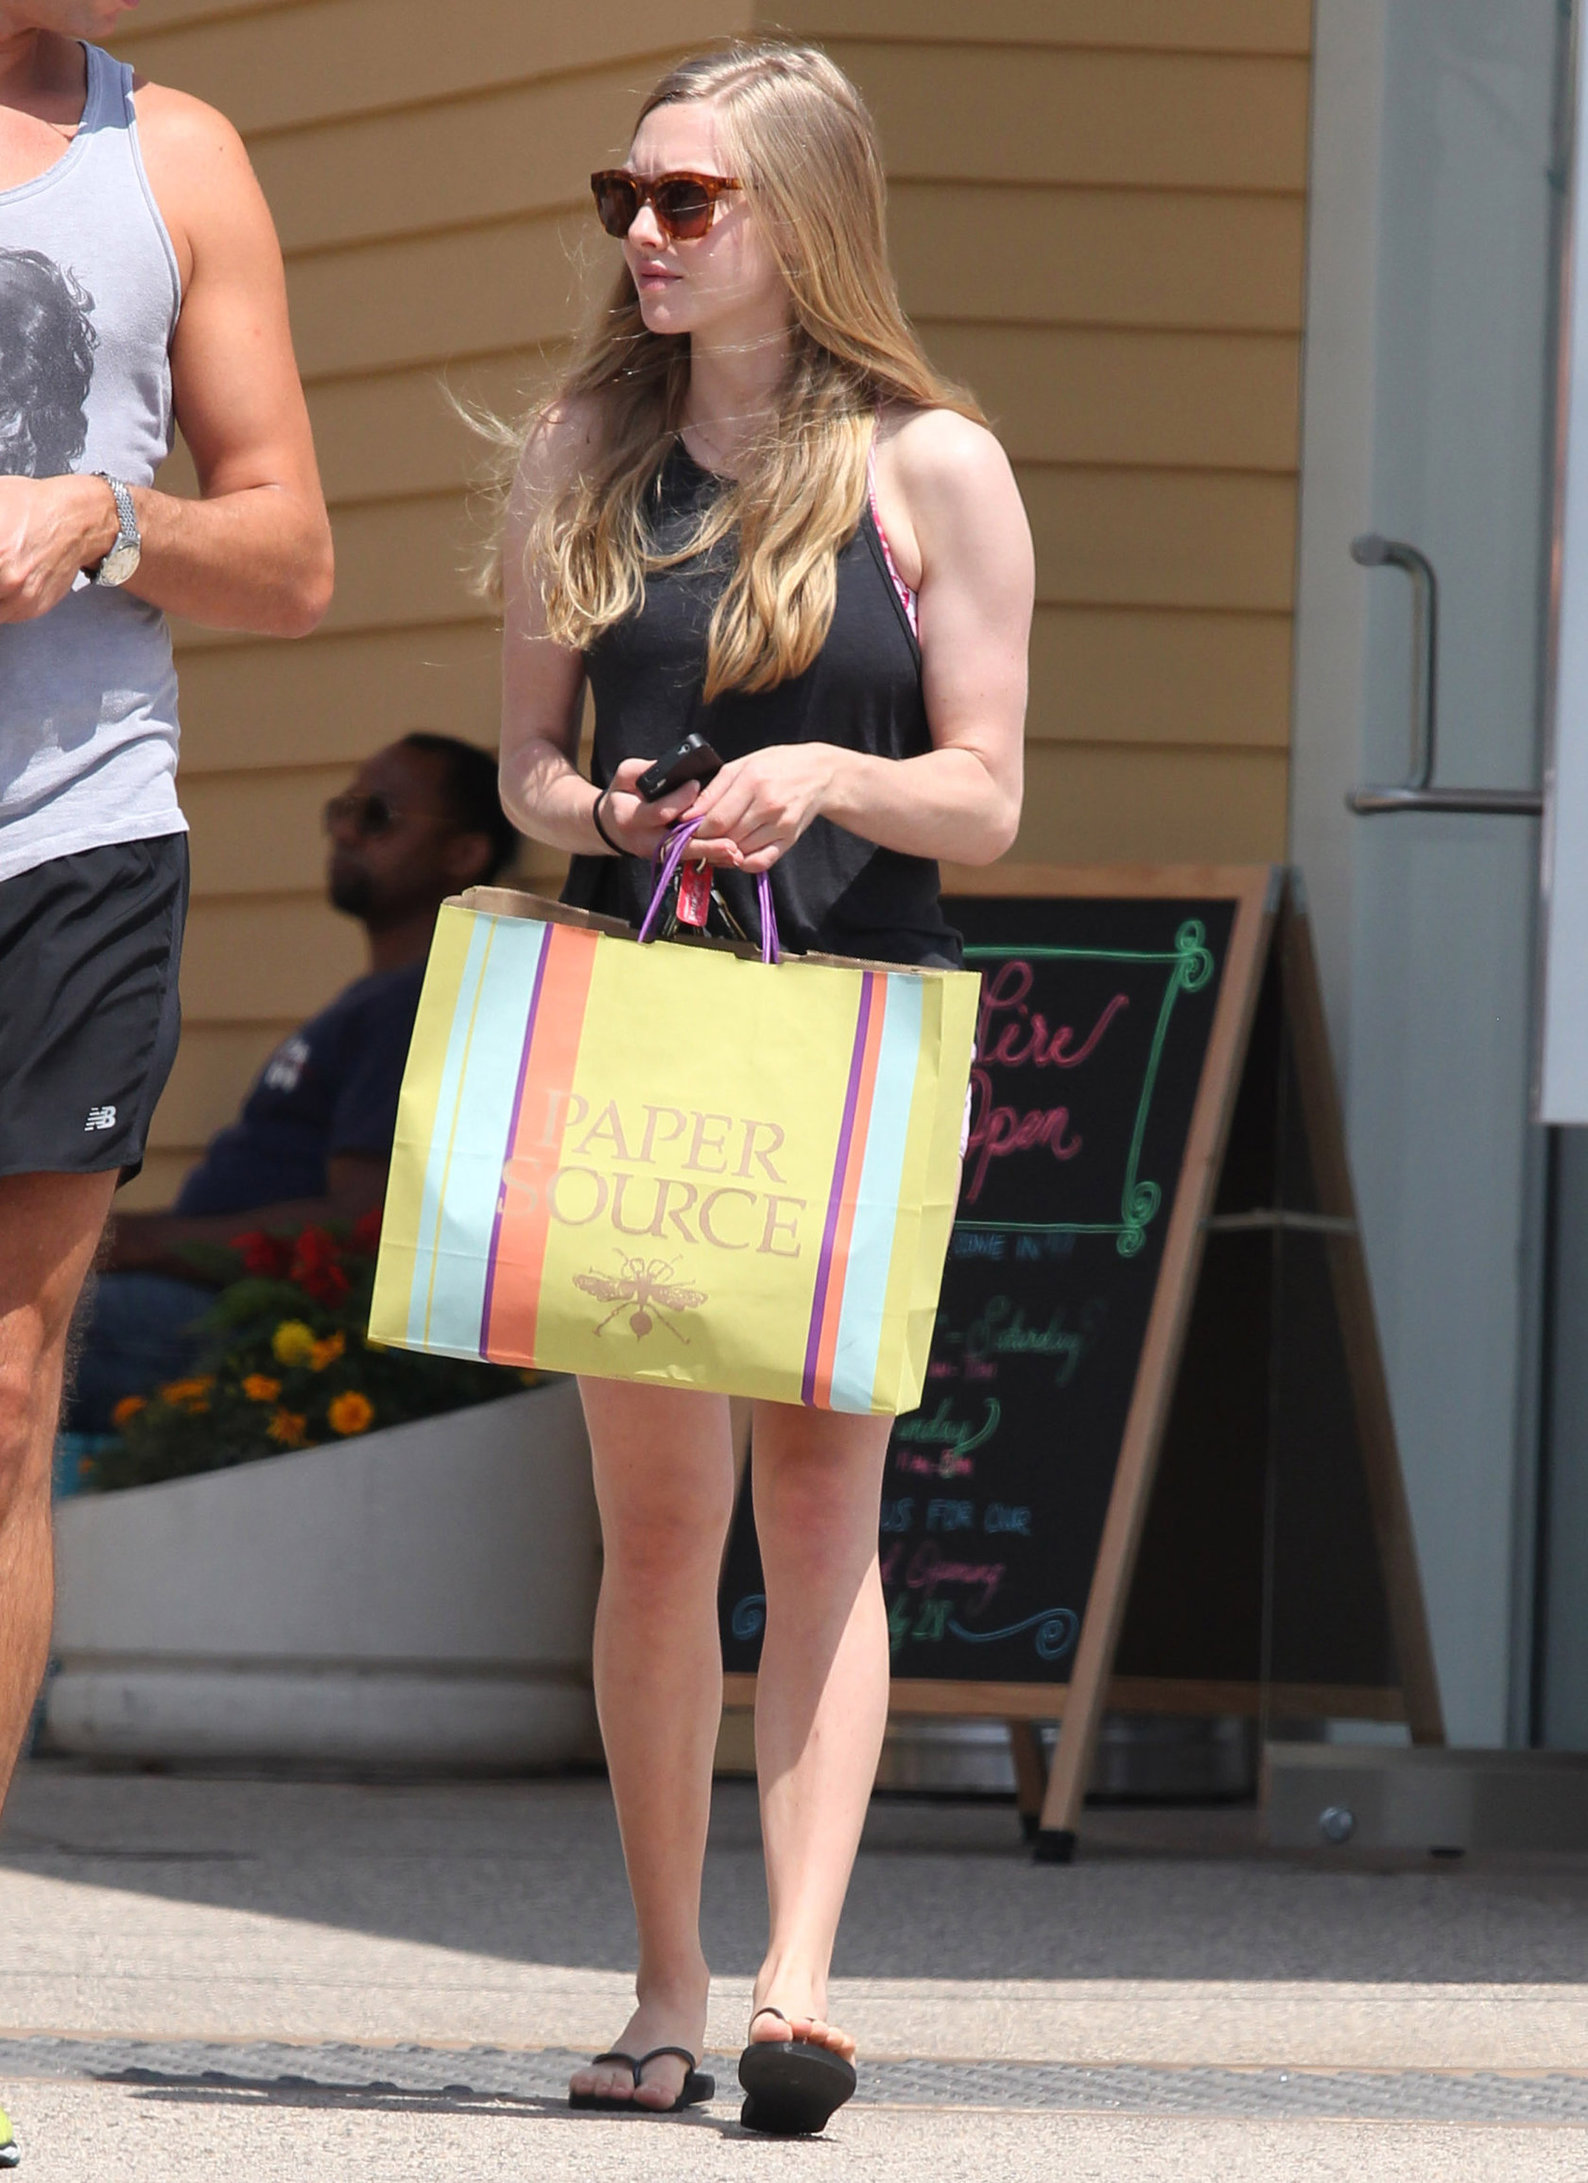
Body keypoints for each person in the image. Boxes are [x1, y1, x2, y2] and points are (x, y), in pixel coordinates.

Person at [497, 40, 1034, 2133]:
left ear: (796, 224)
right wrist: (609, 810)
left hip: (853, 1016)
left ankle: (799, 1982)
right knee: (654, 1530)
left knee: (821, 1506)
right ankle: (659, 1980)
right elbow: (524, 761)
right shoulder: (578, 450)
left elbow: (982, 795)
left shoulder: (933, 466)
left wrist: (822, 770)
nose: (643, 233)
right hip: (643, 1013)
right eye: (625, 196)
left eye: (687, 202)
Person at [0, 8, 335, 2122]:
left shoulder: (180, 153)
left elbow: (292, 551)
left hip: (78, 839)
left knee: (9, 1397)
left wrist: (100, 518)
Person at [67, 735, 517, 1432]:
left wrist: (136, 1241)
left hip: (249, 1330)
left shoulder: (417, 1002)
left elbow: (360, 1220)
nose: (342, 829)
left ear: (464, 853)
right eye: (341, 809)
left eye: (376, 815)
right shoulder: (375, 1000)